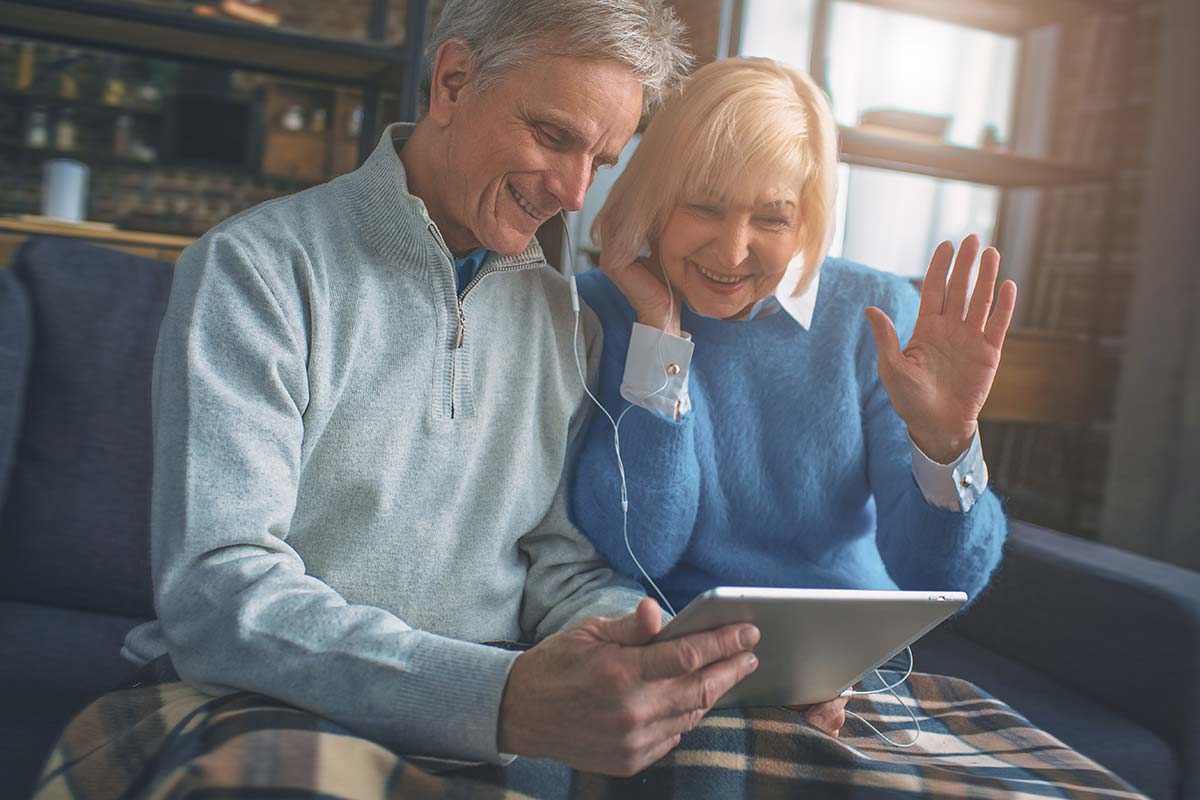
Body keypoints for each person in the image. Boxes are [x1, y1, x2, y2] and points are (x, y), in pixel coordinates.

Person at [32, 4, 827, 795]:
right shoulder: (257, 271)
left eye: (602, 158)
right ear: (452, 82)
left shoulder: (563, 319)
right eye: (554, 137)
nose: (576, 193)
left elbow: (563, 569)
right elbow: (218, 590)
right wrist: (499, 698)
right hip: (261, 703)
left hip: (501, 729)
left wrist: (646, 655)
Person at [571, 57, 1015, 624]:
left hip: (847, 647)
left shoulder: (873, 313)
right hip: (675, 644)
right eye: (704, 207)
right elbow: (638, 549)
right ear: (655, 199)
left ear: (807, 219)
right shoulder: (599, 309)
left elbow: (937, 581)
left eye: (772, 219)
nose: (732, 252)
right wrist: (659, 337)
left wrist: (948, 443)